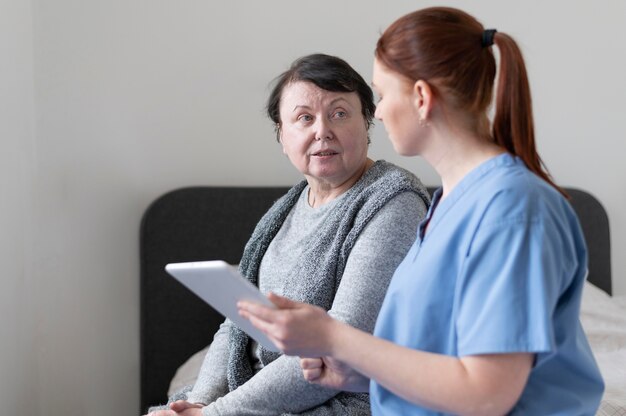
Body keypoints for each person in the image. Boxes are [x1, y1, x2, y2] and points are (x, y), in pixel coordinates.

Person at [239, 7, 605, 415]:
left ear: (421, 98)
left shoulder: (512, 209)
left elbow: (487, 395)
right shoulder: (449, 203)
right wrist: (359, 375)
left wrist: (334, 337)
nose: (376, 111)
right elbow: (446, 358)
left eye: (380, 94)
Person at [146, 53, 430, 416]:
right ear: (282, 135)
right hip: (249, 394)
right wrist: (200, 402)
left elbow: (341, 346)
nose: (322, 130)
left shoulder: (394, 201)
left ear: (367, 124)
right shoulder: (285, 208)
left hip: (342, 400)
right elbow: (236, 324)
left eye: (340, 113)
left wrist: (216, 414)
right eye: (304, 118)